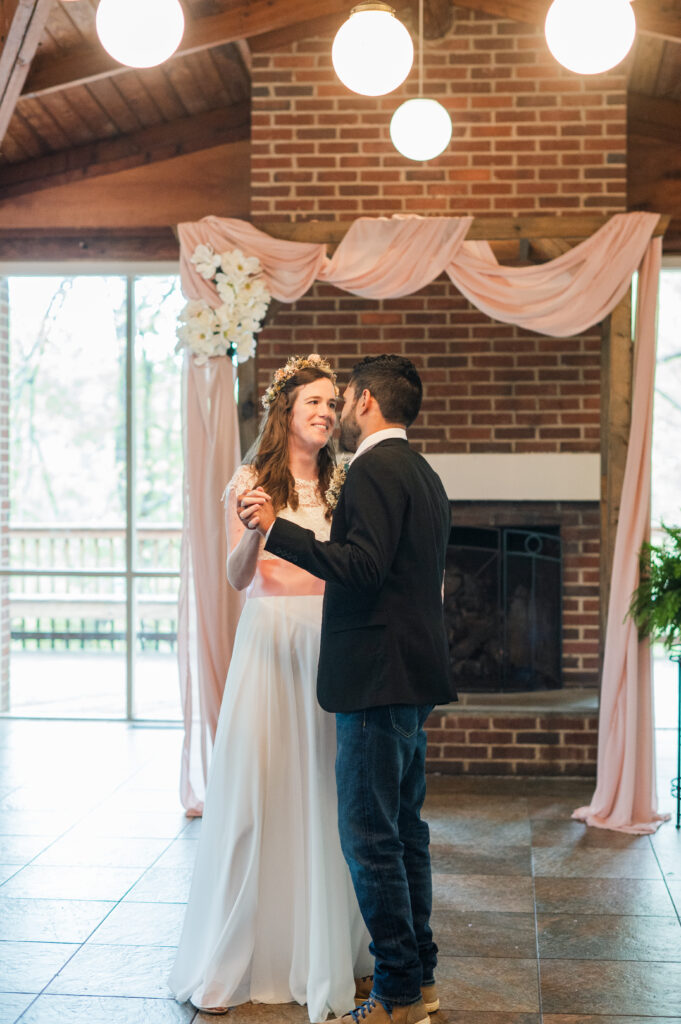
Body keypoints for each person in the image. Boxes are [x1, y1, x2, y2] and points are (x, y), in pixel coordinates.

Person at [240, 354, 457, 1024]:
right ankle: (418, 979)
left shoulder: (369, 470)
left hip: (374, 678)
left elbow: (360, 568)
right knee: (404, 832)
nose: (334, 411)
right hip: (411, 675)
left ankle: (394, 992)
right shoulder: (424, 473)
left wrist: (278, 530)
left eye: (342, 399)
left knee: (370, 838)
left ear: (365, 402)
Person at [169, 354, 372, 1020]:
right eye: (311, 402)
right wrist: (254, 535)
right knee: (261, 792)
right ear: (285, 411)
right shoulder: (252, 480)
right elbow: (233, 577)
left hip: (328, 642)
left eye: (330, 404)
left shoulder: (344, 482)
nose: (324, 412)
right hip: (270, 640)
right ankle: (242, 954)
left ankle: (324, 952)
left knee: (321, 790)